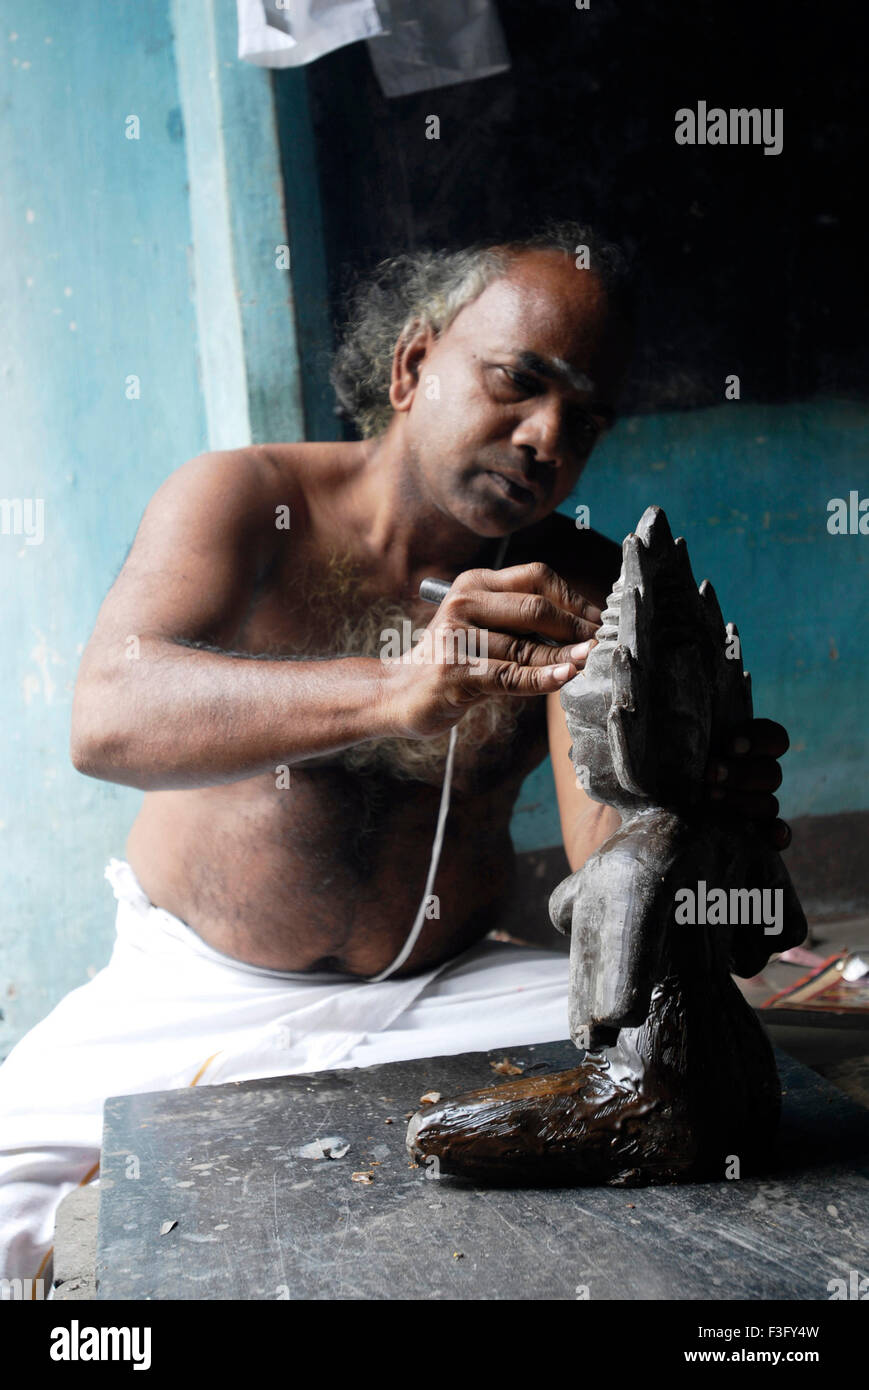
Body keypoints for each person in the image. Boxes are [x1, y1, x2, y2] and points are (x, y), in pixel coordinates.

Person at [0, 225, 791, 1282]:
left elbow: (610, 849)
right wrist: (398, 687)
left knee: (709, 1103)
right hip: (192, 988)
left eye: (585, 418)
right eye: (517, 381)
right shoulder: (244, 501)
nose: (546, 438)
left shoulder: (579, 578)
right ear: (412, 364)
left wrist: (695, 815)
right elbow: (105, 717)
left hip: (452, 987)